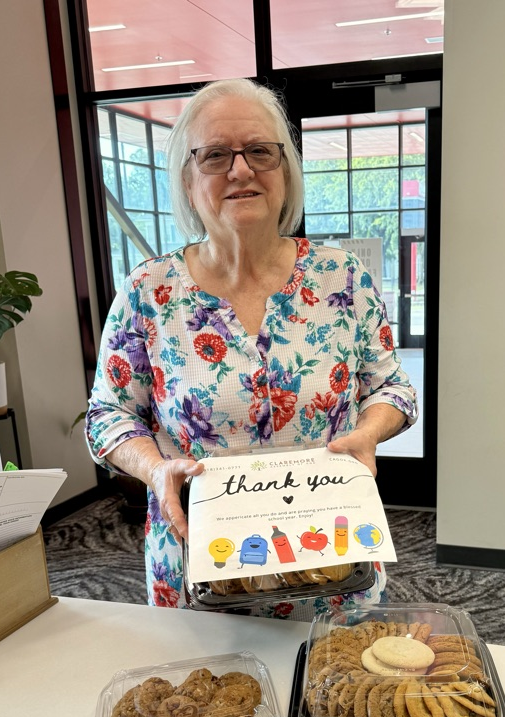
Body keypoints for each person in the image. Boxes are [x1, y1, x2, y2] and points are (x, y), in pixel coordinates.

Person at [86, 78, 417, 615]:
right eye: (215, 155)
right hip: (199, 568)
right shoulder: (149, 292)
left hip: (328, 560)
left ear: (286, 171)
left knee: (327, 692)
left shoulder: (342, 279)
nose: (241, 170)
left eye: (260, 151)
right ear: (188, 182)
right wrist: (154, 469)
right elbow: (107, 416)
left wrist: (368, 432)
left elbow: (392, 387)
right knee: (207, 699)